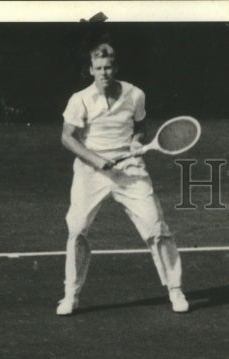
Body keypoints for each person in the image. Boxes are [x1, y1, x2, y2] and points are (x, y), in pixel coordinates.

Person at [57, 43, 189, 316]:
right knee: (77, 230)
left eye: (108, 67)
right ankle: (71, 295)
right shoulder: (79, 99)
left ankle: (175, 290)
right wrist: (96, 160)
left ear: (115, 68)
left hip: (129, 169)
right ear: (91, 70)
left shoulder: (135, 94)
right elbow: (67, 137)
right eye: (98, 68)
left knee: (156, 227)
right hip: (90, 173)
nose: (104, 73)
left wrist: (136, 141)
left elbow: (139, 126)